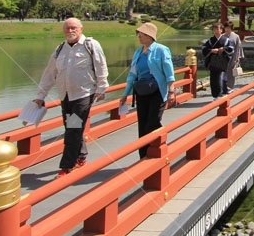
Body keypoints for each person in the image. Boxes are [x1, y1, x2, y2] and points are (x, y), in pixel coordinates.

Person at [33, 18, 108, 178]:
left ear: (81, 29)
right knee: (72, 128)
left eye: (73, 28)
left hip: (83, 95)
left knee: (73, 129)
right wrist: (40, 95)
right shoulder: (60, 49)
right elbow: (49, 73)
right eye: (67, 28)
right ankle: (80, 156)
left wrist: (101, 88)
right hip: (66, 96)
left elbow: (101, 66)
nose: (70, 31)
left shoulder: (90, 45)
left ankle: (67, 165)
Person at [119, 23, 175, 159]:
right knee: (142, 123)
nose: (139, 37)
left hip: (157, 91)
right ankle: (143, 154)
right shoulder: (138, 52)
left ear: (150, 35)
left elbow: (169, 71)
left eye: (142, 34)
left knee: (152, 121)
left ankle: (158, 146)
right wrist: (125, 93)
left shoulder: (161, 50)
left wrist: (171, 90)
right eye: (138, 34)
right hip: (141, 91)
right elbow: (132, 74)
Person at [202, 24, 229, 100]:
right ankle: (215, 95)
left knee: (219, 76)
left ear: (221, 30)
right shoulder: (210, 40)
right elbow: (204, 48)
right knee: (213, 77)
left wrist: (223, 49)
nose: (216, 31)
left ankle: (219, 93)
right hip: (213, 60)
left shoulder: (225, 40)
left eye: (218, 29)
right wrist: (211, 50)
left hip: (221, 60)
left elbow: (231, 48)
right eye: (215, 29)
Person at [221, 21, 244, 95]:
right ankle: (224, 87)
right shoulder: (223, 36)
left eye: (228, 28)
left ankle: (230, 87)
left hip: (233, 56)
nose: (227, 30)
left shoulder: (236, 36)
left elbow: (238, 47)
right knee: (224, 72)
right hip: (224, 56)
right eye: (226, 28)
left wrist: (238, 56)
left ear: (231, 28)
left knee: (231, 73)